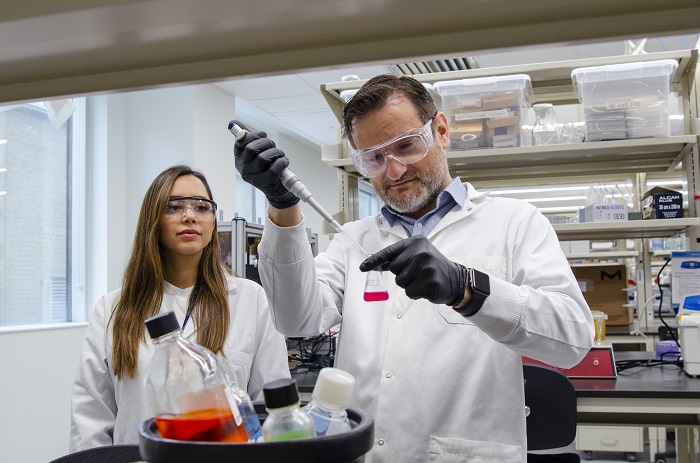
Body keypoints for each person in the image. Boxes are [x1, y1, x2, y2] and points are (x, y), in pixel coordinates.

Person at [233, 75, 593, 462]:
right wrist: (282, 205)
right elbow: (295, 319)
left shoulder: (515, 222)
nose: (393, 170)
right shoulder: (355, 237)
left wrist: (466, 288)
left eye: (406, 145)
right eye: (373, 158)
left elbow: (572, 339)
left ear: (440, 130)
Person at [69, 165, 290, 451]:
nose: (189, 216)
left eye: (201, 207)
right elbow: (90, 419)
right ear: (153, 220)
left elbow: (272, 408)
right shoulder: (113, 308)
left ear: (212, 222)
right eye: (173, 207)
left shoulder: (251, 299)